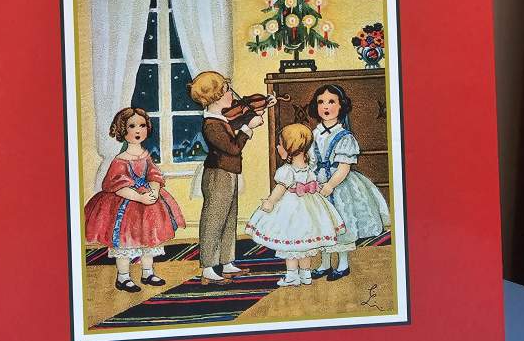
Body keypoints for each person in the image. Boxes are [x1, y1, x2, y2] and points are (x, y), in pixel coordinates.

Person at [84, 107, 185, 293]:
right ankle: (123, 277)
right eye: (132, 126)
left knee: (149, 238)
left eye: (142, 125)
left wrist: (154, 191)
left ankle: (148, 272)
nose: (138, 130)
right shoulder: (120, 160)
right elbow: (115, 185)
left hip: (149, 204)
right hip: (127, 204)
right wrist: (139, 197)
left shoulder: (145, 155)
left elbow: (154, 174)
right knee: (124, 242)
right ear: (122, 129)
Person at [245, 123, 347, 287]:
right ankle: (305, 275)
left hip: (291, 209)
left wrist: (270, 201)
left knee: (292, 244)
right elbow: (313, 184)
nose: (278, 147)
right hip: (310, 208)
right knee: (304, 244)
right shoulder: (308, 168)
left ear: (289, 148)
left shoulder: (287, 170)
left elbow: (280, 189)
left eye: (280, 144)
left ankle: (292, 275)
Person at [188, 71, 263, 286]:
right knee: (214, 221)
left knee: (229, 219)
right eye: (227, 90)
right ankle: (208, 268)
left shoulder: (223, 118)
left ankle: (227, 262)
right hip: (218, 174)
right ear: (216, 97)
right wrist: (247, 129)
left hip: (229, 173)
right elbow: (233, 148)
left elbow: (238, 122)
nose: (232, 94)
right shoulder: (212, 124)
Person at [308, 84, 389, 280]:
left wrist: (330, 185)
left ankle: (343, 263)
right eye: (321, 102)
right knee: (323, 224)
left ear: (341, 106)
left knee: (341, 223)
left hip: (339, 185)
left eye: (331, 102)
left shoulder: (345, 137)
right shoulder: (314, 134)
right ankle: (325, 263)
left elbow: (344, 167)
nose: (326, 106)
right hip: (317, 183)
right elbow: (311, 161)